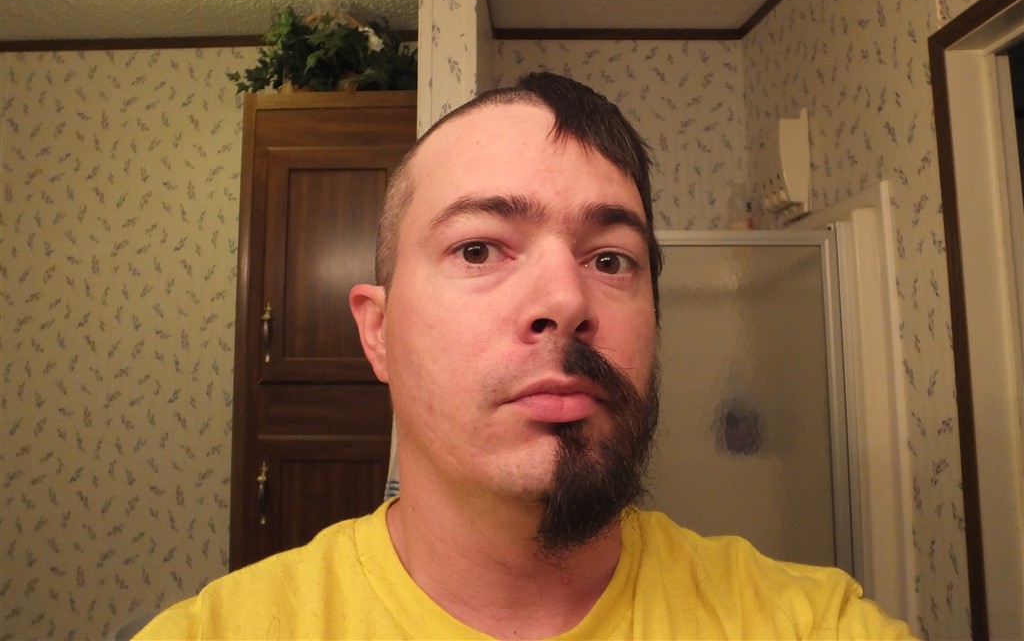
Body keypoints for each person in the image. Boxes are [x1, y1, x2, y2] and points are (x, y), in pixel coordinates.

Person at [136, 72, 915, 639]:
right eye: (479, 248)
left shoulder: (810, 624)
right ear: (377, 331)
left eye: (610, 260)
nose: (567, 301)